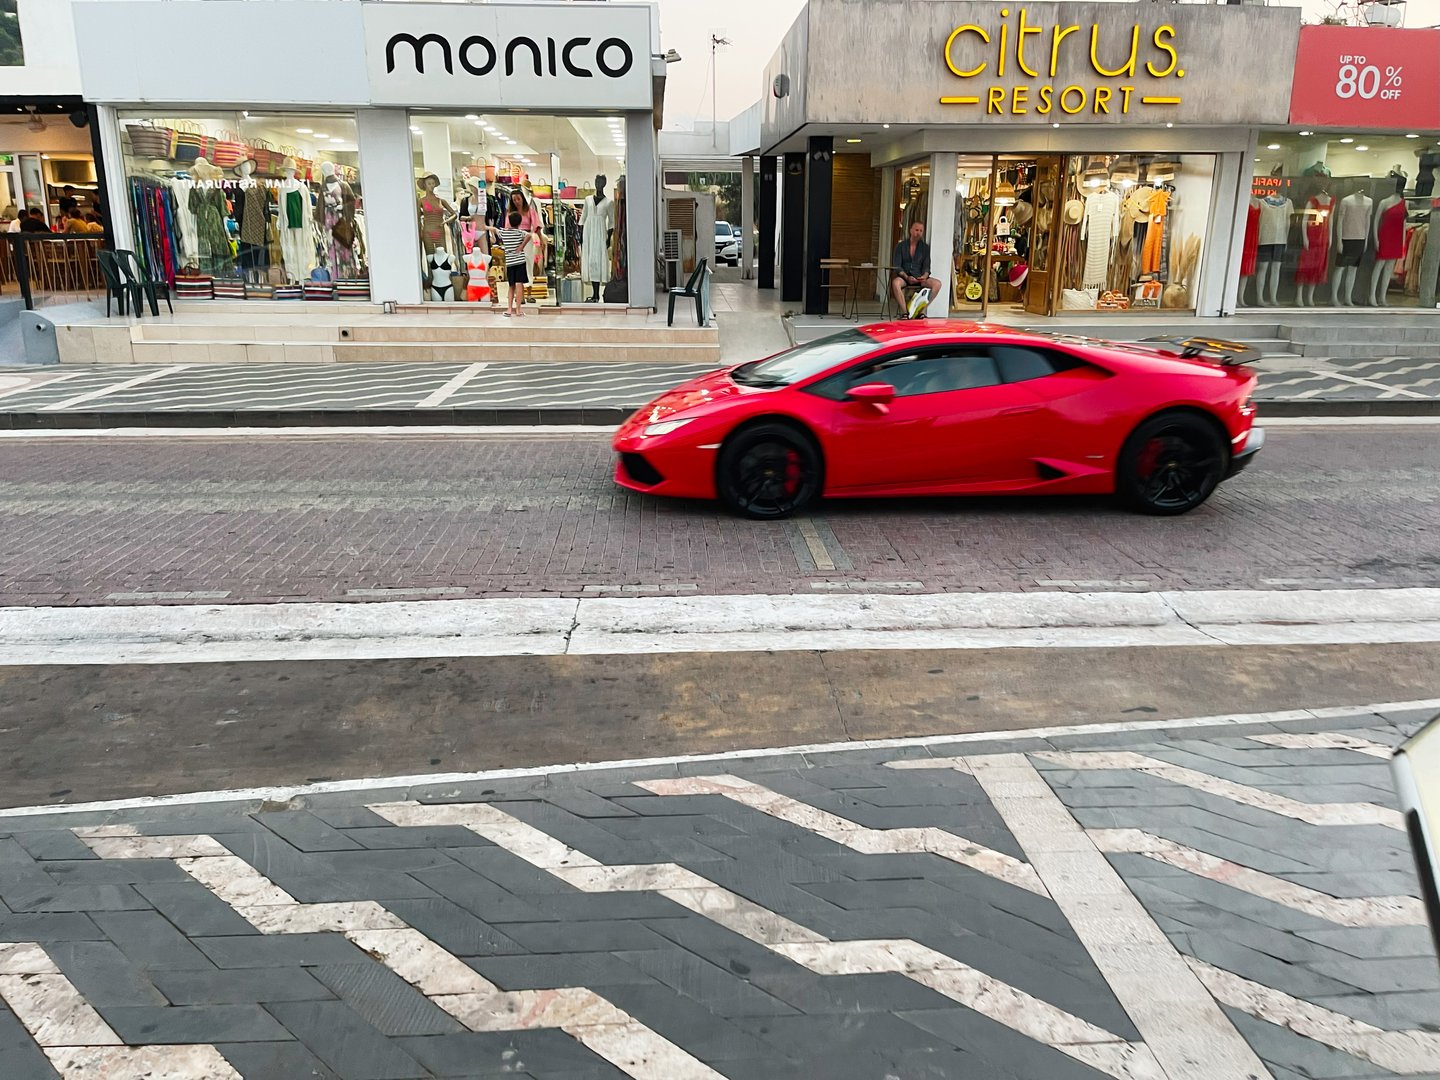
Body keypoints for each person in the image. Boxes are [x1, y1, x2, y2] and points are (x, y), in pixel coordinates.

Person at [891, 221, 942, 318]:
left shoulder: (925, 248)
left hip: (919, 277)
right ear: (911, 230)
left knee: (937, 284)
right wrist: (906, 276)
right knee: (895, 283)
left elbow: (927, 266)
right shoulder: (900, 246)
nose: (918, 233)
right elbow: (897, 266)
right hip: (905, 277)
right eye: (916, 230)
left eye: (921, 231)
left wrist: (924, 277)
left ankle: (921, 312)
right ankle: (905, 313)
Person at [490, 210, 532, 317]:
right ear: (519, 222)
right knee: (519, 285)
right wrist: (521, 246)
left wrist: (486, 227)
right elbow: (529, 235)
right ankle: (518, 310)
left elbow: (495, 229)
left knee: (511, 286)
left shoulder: (504, 232)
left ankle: (509, 309)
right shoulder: (520, 233)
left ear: (509, 221)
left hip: (510, 263)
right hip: (520, 262)